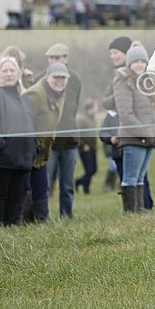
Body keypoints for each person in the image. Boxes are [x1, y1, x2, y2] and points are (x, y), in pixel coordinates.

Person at [0, 56, 37, 227]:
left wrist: (33, 147)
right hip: (0, 158)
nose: (9, 74)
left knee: (17, 197)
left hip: (21, 158)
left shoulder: (22, 97)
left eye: (12, 70)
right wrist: (1, 146)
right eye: (5, 71)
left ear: (18, 73)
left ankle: (12, 230)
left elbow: (29, 124)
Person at [113, 42, 155, 213]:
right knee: (130, 178)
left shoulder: (147, 82)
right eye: (136, 62)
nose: (140, 65)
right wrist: (145, 131)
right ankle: (130, 212)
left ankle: (139, 209)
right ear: (129, 63)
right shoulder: (123, 82)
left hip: (148, 138)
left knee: (140, 177)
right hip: (133, 138)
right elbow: (125, 114)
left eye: (142, 61)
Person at [22, 62, 69, 222]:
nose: (59, 81)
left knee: (42, 185)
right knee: (26, 186)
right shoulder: (35, 94)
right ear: (47, 76)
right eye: (56, 77)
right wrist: (31, 145)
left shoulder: (60, 94)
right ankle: (24, 219)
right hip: (28, 147)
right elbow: (24, 121)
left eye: (63, 77)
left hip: (43, 149)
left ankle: (42, 218)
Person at [39, 43, 82, 219]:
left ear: (66, 59)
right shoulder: (40, 78)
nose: (55, 61)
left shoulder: (75, 79)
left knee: (67, 183)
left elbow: (74, 106)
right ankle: (43, 215)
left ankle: (67, 214)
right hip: (48, 142)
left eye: (58, 58)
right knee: (45, 181)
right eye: (51, 58)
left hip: (70, 139)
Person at [101, 35, 131, 191]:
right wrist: (118, 94)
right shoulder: (115, 75)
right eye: (110, 53)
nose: (112, 56)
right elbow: (105, 102)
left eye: (115, 53)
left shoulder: (135, 72)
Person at [75, 99, 99, 194]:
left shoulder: (92, 119)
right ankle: (78, 184)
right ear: (91, 108)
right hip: (85, 149)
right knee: (89, 170)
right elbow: (77, 135)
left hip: (93, 148)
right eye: (96, 107)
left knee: (93, 169)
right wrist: (82, 145)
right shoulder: (81, 119)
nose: (97, 109)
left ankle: (84, 187)